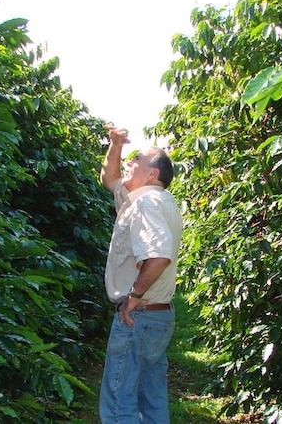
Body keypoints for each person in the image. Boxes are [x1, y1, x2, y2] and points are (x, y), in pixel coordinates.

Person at [98, 124, 183, 424]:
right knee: (151, 396)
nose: (129, 162)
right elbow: (109, 179)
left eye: (137, 159)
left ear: (152, 175)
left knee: (120, 400)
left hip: (139, 317)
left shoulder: (146, 203)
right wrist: (116, 144)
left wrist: (134, 297)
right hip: (158, 317)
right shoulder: (148, 199)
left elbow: (159, 255)